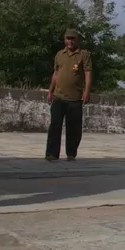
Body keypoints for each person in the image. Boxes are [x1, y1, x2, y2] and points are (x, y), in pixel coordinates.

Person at [46, 28, 92, 161]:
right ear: (64, 40)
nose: (70, 41)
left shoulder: (83, 54)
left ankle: (71, 153)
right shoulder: (59, 54)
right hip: (58, 96)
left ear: (77, 40)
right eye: (68, 38)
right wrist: (50, 91)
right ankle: (52, 154)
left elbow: (88, 73)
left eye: (73, 39)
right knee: (55, 125)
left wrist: (87, 91)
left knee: (74, 128)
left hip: (75, 98)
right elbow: (55, 74)